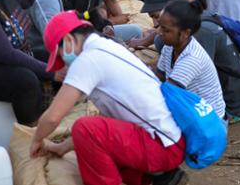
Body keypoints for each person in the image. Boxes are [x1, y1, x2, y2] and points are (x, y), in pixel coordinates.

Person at [29, 11, 186, 185]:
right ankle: (156, 179)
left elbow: (53, 117)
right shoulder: (106, 47)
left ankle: (153, 174)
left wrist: (36, 140)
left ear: (68, 41)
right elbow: (112, 121)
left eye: (60, 56)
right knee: (95, 138)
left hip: (160, 147)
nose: (64, 63)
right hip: (168, 142)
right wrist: (62, 147)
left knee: (85, 128)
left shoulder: (87, 60)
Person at [138, 0, 240, 121]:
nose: (156, 28)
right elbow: (160, 74)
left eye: (157, 17)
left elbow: (170, 93)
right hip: (198, 106)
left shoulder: (196, 44)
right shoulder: (173, 42)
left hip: (222, 112)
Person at [156, 0, 226, 120]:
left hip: (208, 122)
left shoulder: (192, 58)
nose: (159, 32)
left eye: (165, 30)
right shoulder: (170, 47)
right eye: (160, 26)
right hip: (192, 111)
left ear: (185, 33)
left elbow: (168, 94)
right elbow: (159, 75)